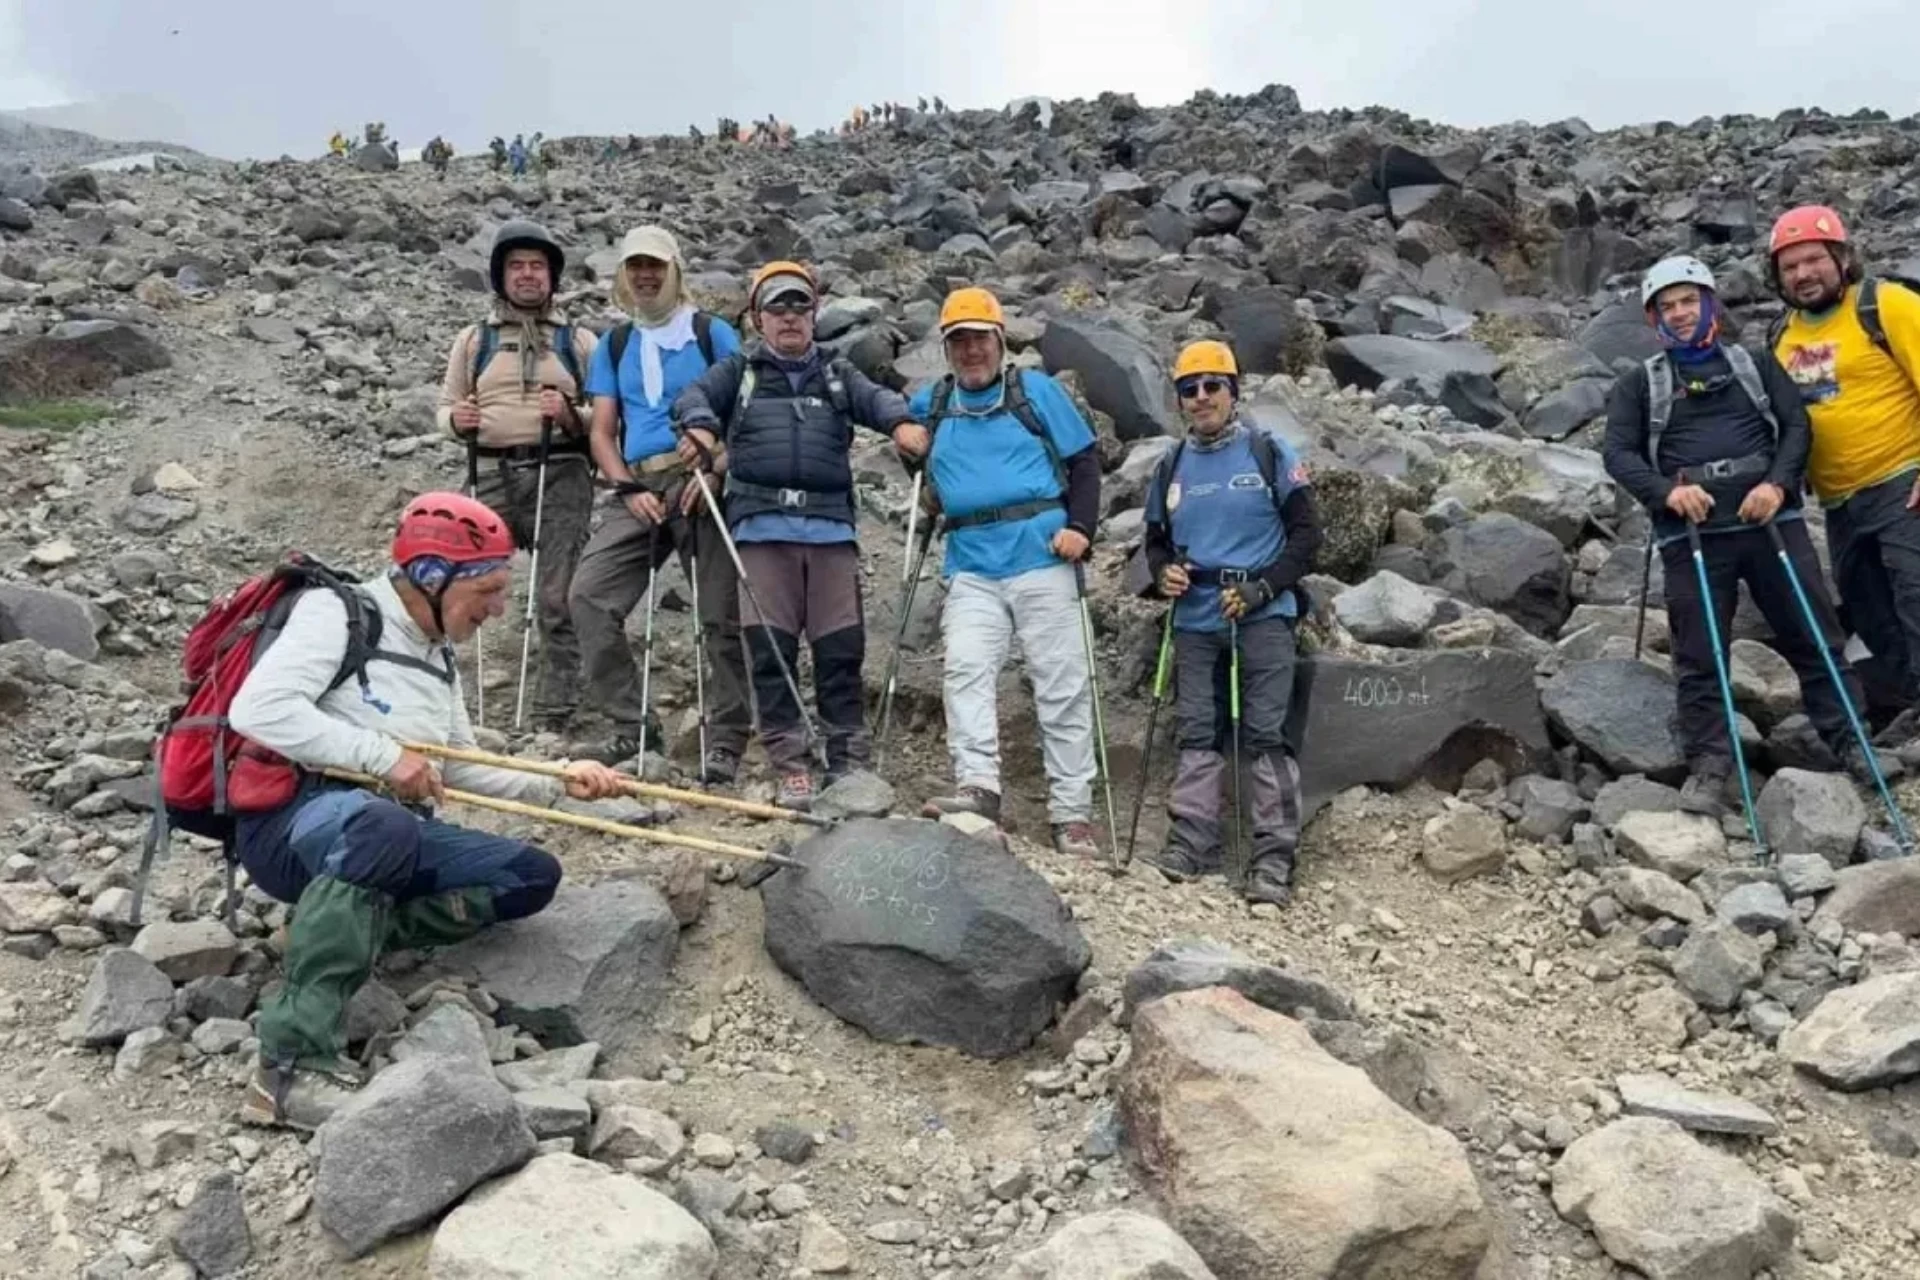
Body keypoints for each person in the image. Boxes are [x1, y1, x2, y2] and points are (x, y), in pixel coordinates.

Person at [228, 492, 627, 1128]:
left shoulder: (438, 654)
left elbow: (458, 766)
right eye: (490, 591)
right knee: (382, 824)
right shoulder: (338, 613)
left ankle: (341, 933)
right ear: (433, 577)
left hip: (386, 833)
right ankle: (288, 1068)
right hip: (293, 824)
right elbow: (258, 711)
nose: (499, 610)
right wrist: (383, 758)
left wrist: (559, 780)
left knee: (529, 876)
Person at [1604, 255, 1878, 806]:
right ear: (1654, 318)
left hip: (1771, 522)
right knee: (1700, 653)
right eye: (1667, 306)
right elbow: (1618, 453)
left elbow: (1795, 427)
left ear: (1709, 304)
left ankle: (1852, 741)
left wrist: (1777, 485)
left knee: (1814, 634)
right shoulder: (1642, 384)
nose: (1680, 314)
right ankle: (1709, 764)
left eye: (1689, 301)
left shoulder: (1755, 363)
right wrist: (1667, 493)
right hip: (1693, 536)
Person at [672, 261, 926, 810]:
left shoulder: (837, 371)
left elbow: (877, 401)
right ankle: (791, 761)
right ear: (757, 318)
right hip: (761, 530)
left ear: (813, 314)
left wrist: (902, 421)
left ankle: (847, 755)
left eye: (799, 308)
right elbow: (691, 397)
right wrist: (699, 425)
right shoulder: (737, 370)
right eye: (777, 308)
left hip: (830, 527)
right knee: (771, 650)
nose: (789, 319)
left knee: (841, 647)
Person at [909, 288, 1105, 860]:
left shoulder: (1035, 392)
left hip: (1044, 554)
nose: (971, 350)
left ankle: (1073, 815)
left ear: (1000, 340)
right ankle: (979, 788)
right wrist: (906, 444)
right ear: (947, 348)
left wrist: (1083, 529)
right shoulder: (935, 402)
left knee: (1061, 683)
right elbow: (909, 447)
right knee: (966, 669)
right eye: (959, 340)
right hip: (970, 560)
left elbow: (1085, 462)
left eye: (980, 338)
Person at [1138, 341, 1321, 904]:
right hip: (1194, 615)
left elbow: (1308, 535)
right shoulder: (1171, 464)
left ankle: (1273, 858)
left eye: (1212, 385)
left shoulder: (1269, 451)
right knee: (1197, 729)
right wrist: (1164, 572)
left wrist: (1264, 586)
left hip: (1263, 612)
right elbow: (1155, 541)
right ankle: (1192, 840)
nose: (1200, 398)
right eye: (1189, 390)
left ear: (1233, 391)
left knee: (1266, 734)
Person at [569, 226, 751, 780]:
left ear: (675, 270)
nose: (645, 277)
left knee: (720, 614)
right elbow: (602, 430)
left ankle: (727, 736)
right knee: (589, 596)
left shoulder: (710, 333)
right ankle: (630, 724)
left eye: (655, 267)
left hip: (701, 483)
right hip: (638, 489)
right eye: (635, 268)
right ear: (623, 276)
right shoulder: (615, 345)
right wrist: (624, 486)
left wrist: (718, 472)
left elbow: (744, 413)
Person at [435, 222, 597, 733]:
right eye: (516, 266)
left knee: (557, 596)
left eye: (537, 266)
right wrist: (455, 423)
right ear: (500, 276)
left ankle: (555, 711)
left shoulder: (581, 342)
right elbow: (444, 408)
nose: (527, 275)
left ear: (552, 276)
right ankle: (444, 701)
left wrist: (574, 416)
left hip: (563, 471)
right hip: (489, 471)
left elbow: (608, 417)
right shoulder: (472, 340)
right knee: (452, 580)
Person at [1769, 205, 1920, 740]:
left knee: (1915, 595)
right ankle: (1907, 710)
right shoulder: (1780, 335)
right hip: (1836, 502)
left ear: (1841, 258)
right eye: (1789, 267)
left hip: (1903, 482)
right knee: (1870, 610)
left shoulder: (1887, 306)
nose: (1803, 274)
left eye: (1814, 259)